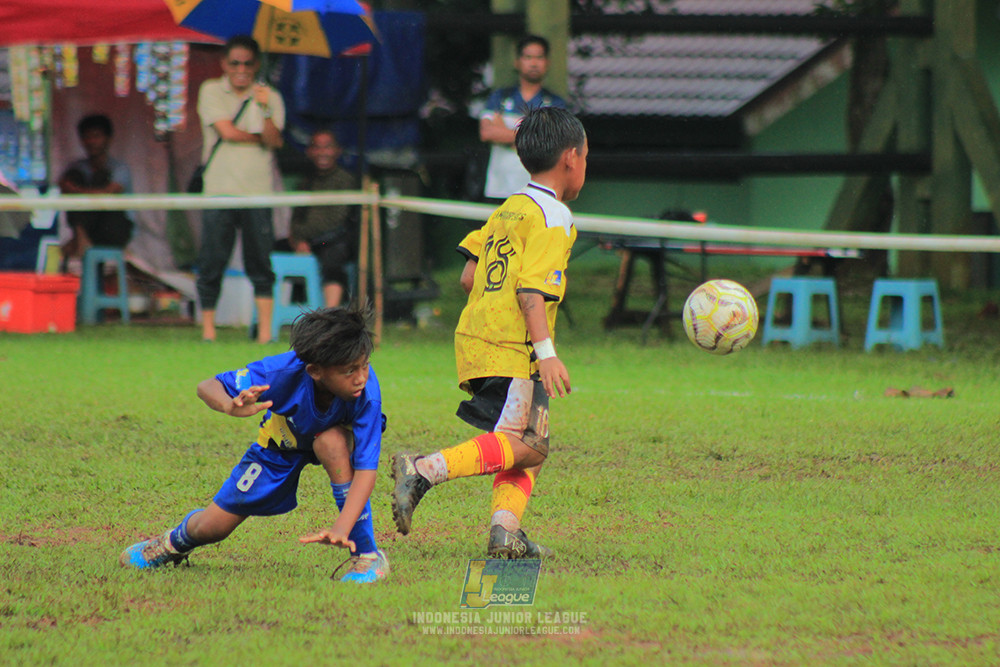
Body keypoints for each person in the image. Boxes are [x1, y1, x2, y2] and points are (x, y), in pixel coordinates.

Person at [391, 107, 587, 558]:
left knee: (531, 446)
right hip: (514, 346)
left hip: (478, 338)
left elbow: (468, 277)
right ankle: (423, 469)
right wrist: (547, 352)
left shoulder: (509, 208)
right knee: (522, 443)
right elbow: (531, 291)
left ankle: (505, 531)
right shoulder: (554, 216)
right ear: (571, 157)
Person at [119, 306, 390, 584]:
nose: (361, 377)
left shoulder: (367, 394)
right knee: (213, 527)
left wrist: (342, 527)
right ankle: (172, 542)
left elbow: (366, 471)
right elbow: (207, 386)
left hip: (336, 441)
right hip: (281, 445)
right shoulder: (279, 372)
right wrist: (229, 405)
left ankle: (367, 555)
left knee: (331, 442)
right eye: (349, 371)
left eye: (365, 365)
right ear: (315, 371)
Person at [196, 35, 286, 343]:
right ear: (224, 64)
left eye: (248, 63)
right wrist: (259, 137)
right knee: (212, 260)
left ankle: (265, 333)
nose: (241, 70)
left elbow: (275, 140)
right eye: (235, 63)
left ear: (257, 65)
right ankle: (208, 331)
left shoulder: (270, 96)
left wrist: (265, 110)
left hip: (257, 192)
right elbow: (228, 132)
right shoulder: (211, 90)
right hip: (219, 190)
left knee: (260, 262)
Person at [479, 35, 567, 201]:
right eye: (528, 57)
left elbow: (552, 143)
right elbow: (486, 133)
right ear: (517, 62)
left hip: (539, 193)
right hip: (500, 189)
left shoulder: (555, 103)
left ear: (547, 63)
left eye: (539, 57)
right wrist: (532, 137)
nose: (533, 63)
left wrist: (505, 133)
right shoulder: (500, 98)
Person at [284, 129, 359, 308]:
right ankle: (290, 309)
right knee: (274, 248)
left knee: (333, 254)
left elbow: (336, 220)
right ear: (309, 152)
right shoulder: (306, 181)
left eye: (327, 147)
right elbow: (296, 217)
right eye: (317, 147)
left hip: (332, 239)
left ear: (338, 150)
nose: (322, 152)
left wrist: (306, 239)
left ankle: (331, 312)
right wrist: (298, 240)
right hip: (306, 241)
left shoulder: (345, 180)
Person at [58, 114, 134, 263]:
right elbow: (64, 186)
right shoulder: (77, 168)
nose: (91, 141)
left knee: (100, 176)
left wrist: (77, 192)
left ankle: (81, 242)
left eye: (96, 136)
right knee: (75, 175)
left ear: (108, 139)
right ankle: (82, 238)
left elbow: (110, 192)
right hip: (87, 229)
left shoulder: (119, 168)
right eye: (87, 137)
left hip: (113, 227)